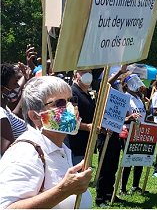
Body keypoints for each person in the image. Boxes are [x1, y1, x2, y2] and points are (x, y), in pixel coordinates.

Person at [0, 76, 92, 208]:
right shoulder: (25, 153)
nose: (69, 108)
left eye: (71, 101)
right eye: (59, 103)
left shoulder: (60, 148)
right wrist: (63, 190)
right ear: (35, 116)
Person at [95, 66, 126, 207]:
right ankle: (100, 197)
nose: (118, 82)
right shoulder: (102, 94)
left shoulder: (117, 95)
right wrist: (119, 72)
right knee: (104, 166)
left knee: (113, 166)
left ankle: (110, 193)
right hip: (104, 134)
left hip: (115, 133)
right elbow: (105, 85)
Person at [119, 74, 148, 195]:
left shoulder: (139, 97)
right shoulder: (125, 98)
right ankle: (123, 188)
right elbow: (121, 118)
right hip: (128, 131)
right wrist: (130, 117)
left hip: (141, 131)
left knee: (140, 159)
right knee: (129, 160)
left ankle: (135, 186)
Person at [68, 69, 96, 165]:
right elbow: (69, 120)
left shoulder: (87, 94)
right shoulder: (72, 92)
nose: (88, 75)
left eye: (90, 72)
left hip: (85, 143)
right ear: (76, 75)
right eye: (83, 72)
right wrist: (87, 127)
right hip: (74, 144)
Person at [1, 63, 27, 156]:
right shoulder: (1, 115)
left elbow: (15, 114)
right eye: (14, 83)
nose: (17, 86)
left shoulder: (4, 108)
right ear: (2, 88)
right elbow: (8, 149)